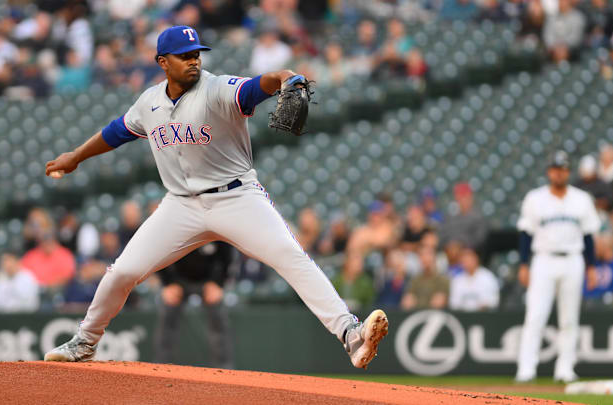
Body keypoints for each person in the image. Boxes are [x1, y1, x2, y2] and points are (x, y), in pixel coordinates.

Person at [43, 25, 388, 368]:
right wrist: (75, 156)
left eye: (196, 55)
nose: (193, 61)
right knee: (122, 272)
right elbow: (116, 132)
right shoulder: (149, 102)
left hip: (236, 198)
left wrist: (283, 75)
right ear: (163, 61)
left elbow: (257, 87)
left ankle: (350, 333)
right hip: (180, 205)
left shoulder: (217, 88)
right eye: (184, 56)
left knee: (290, 255)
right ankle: (85, 341)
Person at [515, 151, 601, 383]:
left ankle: (565, 369)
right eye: (555, 169)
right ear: (548, 172)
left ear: (568, 171)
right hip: (543, 259)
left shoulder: (581, 199)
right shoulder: (535, 198)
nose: (558, 172)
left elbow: (589, 236)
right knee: (535, 315)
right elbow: (525, 233)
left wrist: (591, 267)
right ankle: (526, 369)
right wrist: (524, 264)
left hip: (573, 259)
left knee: (569, 318)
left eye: (562, 169)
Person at [154, 241, 234, 368]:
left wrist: (218, 283)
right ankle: (160, 368)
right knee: (167, 317)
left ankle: (224, 371)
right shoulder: (177, 224)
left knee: (218, 320)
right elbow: (158, 251)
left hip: (208, 281)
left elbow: (227, 256)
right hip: (177, 279)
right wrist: (168, 282)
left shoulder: (215, 224)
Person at [449, 247, 499, 311]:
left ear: (476, 259)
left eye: (469, 259)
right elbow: (454, 304)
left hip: (483, 315)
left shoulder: (488, 277)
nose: (466, 262)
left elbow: (493, 301)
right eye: (464, 260)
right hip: (463, 316)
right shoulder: (457, 280)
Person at [400, 246, 449, 310]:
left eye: (429, 255)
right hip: (416, 314)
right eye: (422, 255)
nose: (426, 258)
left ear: (434, 257)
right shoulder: (415, 279)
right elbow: (407, 301)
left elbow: (438, 303)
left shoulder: (442, 280)